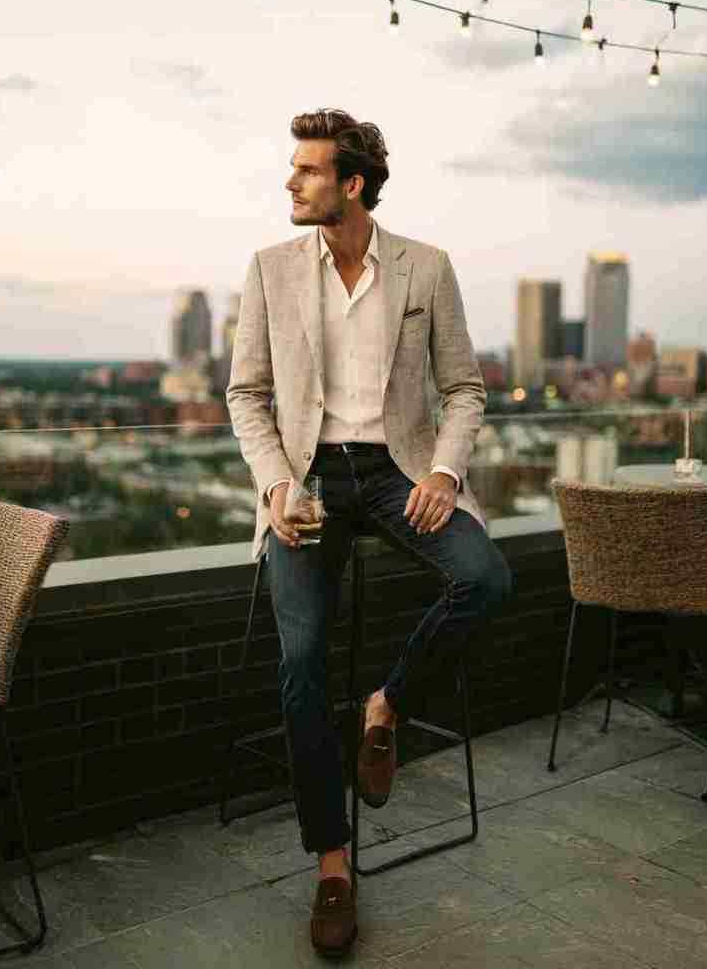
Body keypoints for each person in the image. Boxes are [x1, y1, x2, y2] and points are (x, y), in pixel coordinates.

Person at [226, 108, 511, 957]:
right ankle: (332, 864)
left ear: (351, 184)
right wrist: (276, 485)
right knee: (302, 662)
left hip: (397, 472)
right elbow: (246, 395)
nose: (290, 180)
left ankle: (387, 705)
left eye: (307, 170)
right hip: (308, 479)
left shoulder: (426, 267)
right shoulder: (270, 268)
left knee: (485, 577)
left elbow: (463, 388)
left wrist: (443, 473)